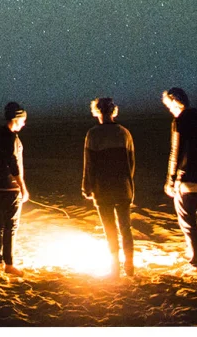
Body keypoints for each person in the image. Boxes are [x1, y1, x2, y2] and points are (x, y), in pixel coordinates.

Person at [162, 87, 197, 274]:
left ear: (174, 102)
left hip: (187, 181)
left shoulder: (179, 121)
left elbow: (175, 152)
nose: (168, 109)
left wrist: (171, 180)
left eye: (168, 105)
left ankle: (196, 263)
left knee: (188, 223)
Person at [81, 97, 136, 277]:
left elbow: (89, 164)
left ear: (97, 111)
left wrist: (87, 186)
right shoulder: (124, 132)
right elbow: (131, 163)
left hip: (102, 188)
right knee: (125, 227)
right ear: (114, 111)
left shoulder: (93, 134)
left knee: (110, 228)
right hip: (123, 187)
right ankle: (129, 264)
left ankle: (115, 266)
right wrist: (127, 182)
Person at [0, 101, 29, 276]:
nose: (24, 123)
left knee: (1, 225)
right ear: (16, 118)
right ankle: (9, 264)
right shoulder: (11, 138)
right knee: (11, 225)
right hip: (10, 188)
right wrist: (22, 187)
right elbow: (14, 165)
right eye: (23, 120)